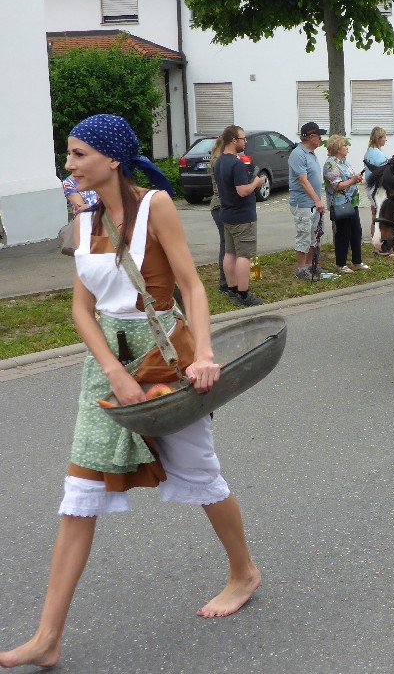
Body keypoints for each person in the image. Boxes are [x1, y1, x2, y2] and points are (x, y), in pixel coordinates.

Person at [0, 115, 259, 671]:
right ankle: (47, 636)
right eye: (68, 154)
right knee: (79, 493)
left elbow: (191, 285)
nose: (68, 164)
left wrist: (205, 353)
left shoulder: (156, 206)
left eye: (78, 154)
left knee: (199, 472)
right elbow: (81, 309)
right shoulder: (83, 217)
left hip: (163, 354)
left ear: (112, 158)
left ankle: (244, 573)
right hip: (107, 366)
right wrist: (112, 372)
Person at [215, 125, 264, 306]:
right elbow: (243, 191)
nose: (245, 142)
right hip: (242, 216)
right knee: (244, 255)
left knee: (230, 253)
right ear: (234, 140)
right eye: (243, 139)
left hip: (227, 214)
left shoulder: (219, 161)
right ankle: (243, 295)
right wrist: (256, 183)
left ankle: (232, 289)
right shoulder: (236, 164)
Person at [288, 121, 332, 281]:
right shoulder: (298, 154)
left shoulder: (311, 153)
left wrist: (317, 201)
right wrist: (317, 200)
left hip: (313, 203)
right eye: (319, 135)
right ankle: (301, 269)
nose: (321, 138)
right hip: (303, 203)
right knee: (304, 235)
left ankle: (310, 266)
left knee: (315, 235)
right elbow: (303, 181)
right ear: (311, 137)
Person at [323, 135, 369, 275]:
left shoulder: (344, 162)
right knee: (343, 233)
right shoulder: (330, 165)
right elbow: (336, 185)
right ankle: (341, 264)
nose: (347, 147)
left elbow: (348, 179)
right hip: (340, 204)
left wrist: (356, 178)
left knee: (356, 231)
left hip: (351, 202)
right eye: (344, 145)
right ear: (337, 148)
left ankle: (357, 261)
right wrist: (352, 180)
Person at [206, 137, 227, 292]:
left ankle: (225, 279)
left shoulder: (215, 160)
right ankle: (224, 281)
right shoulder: (221, 163)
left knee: (225, 243)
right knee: (227, 244)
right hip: (221, 205)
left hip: (217, 205)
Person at [363, 126, 389, 238]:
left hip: (370, 188)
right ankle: (379, 240)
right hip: (377, 189)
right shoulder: (378, 154)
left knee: (374, 214)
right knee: (380, 215)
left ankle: (374, 238)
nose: (386, 139)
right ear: (378, 138)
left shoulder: (368, 151)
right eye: (384, 137)